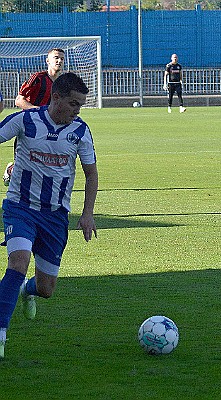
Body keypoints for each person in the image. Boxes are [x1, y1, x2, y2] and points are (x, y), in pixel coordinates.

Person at [0, 72, 98, 358]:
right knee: (18, 262)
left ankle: (25, 291)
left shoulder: (80, 131)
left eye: (80, 105)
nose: (77, 110)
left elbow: (91, 174)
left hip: (55, 217)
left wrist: (87, 213)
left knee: (45, 289)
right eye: (74, 103)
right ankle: (1, 333)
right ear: (56, 98)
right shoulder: (26, 121)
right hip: (20, 208)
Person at [3, 48, 65, 186]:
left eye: (61, 58)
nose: (59, 61)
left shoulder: (63, 84)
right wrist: (38, 111)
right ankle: (11, 171)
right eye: (56, 57)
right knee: (24, 166)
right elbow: (19, 100)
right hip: (29, 126)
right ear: (48, 61)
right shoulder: (38, 78)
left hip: (49, 129)